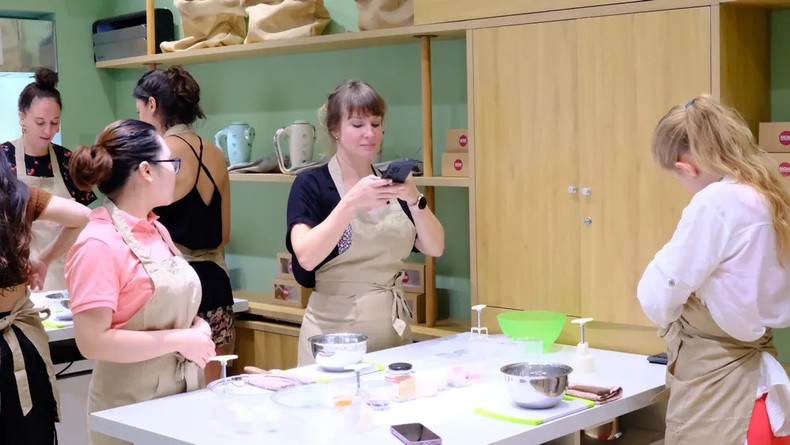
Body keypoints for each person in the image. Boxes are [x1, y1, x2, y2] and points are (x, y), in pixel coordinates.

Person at [637, 95, 790, 445]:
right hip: (761, 396)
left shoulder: (717, 202)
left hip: (720, 399)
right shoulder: (770, 194)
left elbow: (657, 294)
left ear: (687, 167)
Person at [64, 119, 216, 445]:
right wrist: (180, 339)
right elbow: (92, 342)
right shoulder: (99, 243)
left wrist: (198, 328)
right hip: (128, 412)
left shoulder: (157, 229)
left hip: (180, 402)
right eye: (171, 163)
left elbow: (177, 305)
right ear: (146, 171)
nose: (176, 171)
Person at [286, 80, 445, 365]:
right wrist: (350, 204)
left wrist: (414, 198)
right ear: (335, 129)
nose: (369, 133)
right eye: (357, 125)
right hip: (333, 337)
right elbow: (306, 257)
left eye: (376, 123)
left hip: (392, 333)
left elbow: (435, 247)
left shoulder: (393, 183)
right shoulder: (311, 184)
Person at [133, 66, 234, 383]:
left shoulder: (161, 152)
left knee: (174, 396)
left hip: (177, 288)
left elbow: (136, 222)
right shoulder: (216, 153)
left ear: (152, 105)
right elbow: (224, 235)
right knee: (214, 389)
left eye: (139, 110)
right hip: (216, 283)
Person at [0, 153, 89, 445]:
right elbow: (82, 216)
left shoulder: (22, 197)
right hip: (22, 340)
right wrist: (44, 259)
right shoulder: (19, 197)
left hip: (19, 341)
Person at [2, 67, 97, 291]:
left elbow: (87, 221)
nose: (48, 130)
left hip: (64, 274)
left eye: (55, 122)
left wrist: (69, 213)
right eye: (40, 122)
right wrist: (43, 215)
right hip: (15, 274)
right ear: (22, 116)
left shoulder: (67, 161)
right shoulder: (3, 160)